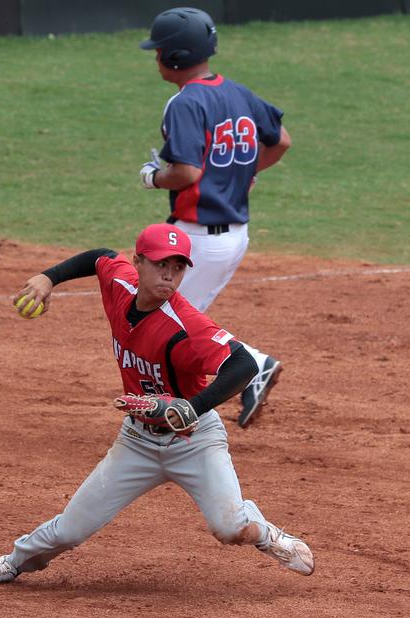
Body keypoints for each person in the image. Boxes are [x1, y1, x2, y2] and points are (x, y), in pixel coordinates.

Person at [0, 223, 315, 586]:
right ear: (138, 262)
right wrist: (48, 277)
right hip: (138, 440)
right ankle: (12, 563)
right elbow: (99, 257)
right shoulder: (120, 284)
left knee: (230, 528)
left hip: (194, 440)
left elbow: (243, 364)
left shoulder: (185, 324)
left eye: (178, 267)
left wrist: (192, 407)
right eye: (161, 264)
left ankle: (265, 533)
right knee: (70, 529)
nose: (169, 276)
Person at [137, 7, 292, 428]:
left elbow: (186, 172)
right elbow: (280, 141)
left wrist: (153, 178)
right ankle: (188, 401)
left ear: (175, 56)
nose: (156, 58)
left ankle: (249, 367)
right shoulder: (238, 93)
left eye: (159, 51)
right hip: (231, 235)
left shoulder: (185, 102)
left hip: (197, 239)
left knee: (161, 322)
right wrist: (245, 174)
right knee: (174, 320)